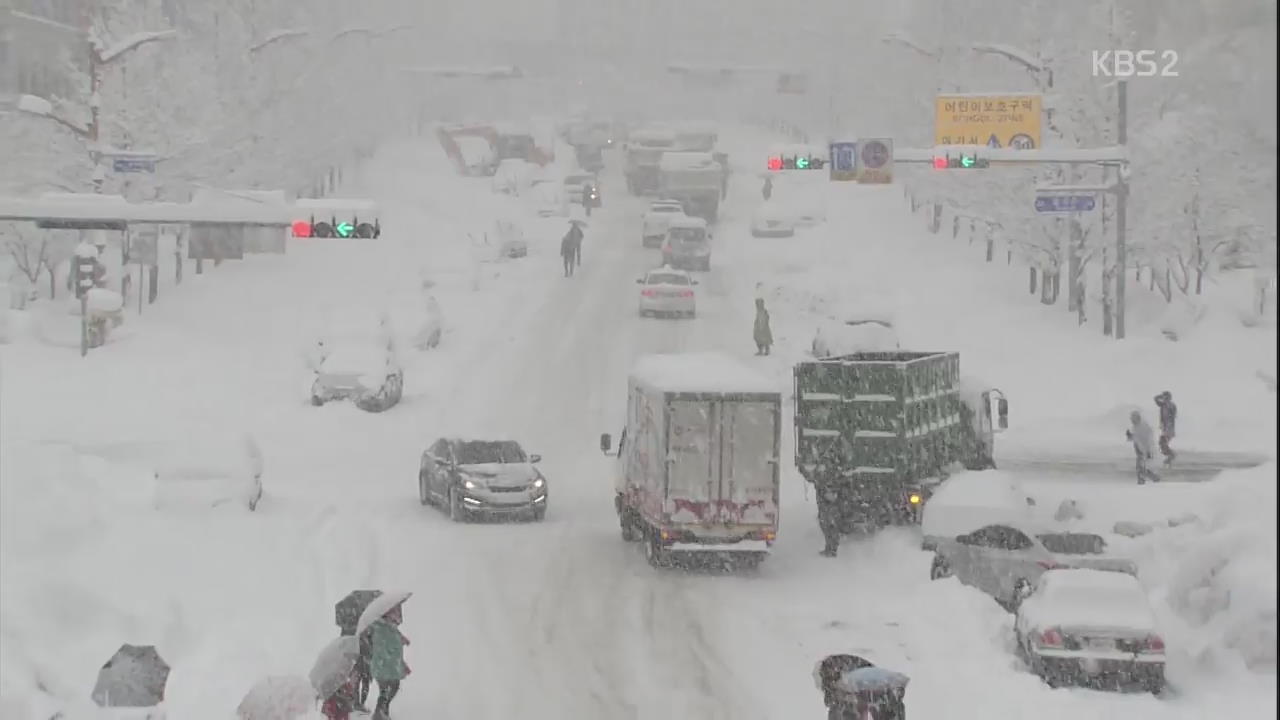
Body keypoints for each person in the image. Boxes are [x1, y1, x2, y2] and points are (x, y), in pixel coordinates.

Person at [368, 604, 410, 720]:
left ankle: (383, 713)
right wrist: (394, 646)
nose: (398, 617)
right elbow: (383, 648)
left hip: (389, 667)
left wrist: (401, 640)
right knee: (386, 690)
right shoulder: (381, 628)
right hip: (382, 667)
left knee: (390, 689)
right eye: (396, 613)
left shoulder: (390, 628)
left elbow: (395, 646)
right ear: (388, 614)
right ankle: (379, 714)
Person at [1125, 410, 1161, 484]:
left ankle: (1142, 480)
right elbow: (1136, 438)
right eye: (1131, 418)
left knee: (1140, 466)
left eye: (1133, 418)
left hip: (1144, 450)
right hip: (1139, 450)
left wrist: (1148, 450)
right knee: (1142, 467)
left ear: (1137, 417)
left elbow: (1149, 439)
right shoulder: (1135, 426)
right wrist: (1130, 436)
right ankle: (1154, 477)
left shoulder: (1143, 426)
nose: (1131, 420)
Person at [816, 479, 843, 557]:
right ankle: (830, 548)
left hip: (829, 508)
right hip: (826, 508)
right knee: (826, 527)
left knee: (831, 527)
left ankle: (832, 550)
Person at [1154, 391, 1177, 466]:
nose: (1163, 398)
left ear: (1168, 397)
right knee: (1162, 445)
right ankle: (1170, 458)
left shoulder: (1171, 405)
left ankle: (1171, 456)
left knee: (1162, 443)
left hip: (1169, 428)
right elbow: (1155, 398)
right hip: (1165, 428)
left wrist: (1167, 428)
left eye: (1165, 396)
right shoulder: (1163, 404)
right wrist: (1160, 396)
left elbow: (1172, 417)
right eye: (1163, 397)